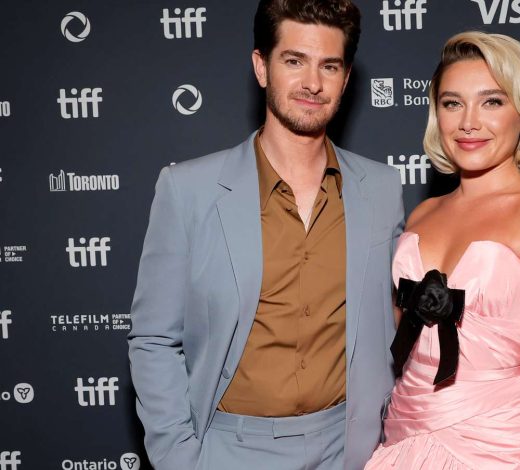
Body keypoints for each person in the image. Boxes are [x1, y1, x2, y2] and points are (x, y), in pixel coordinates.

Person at [126, 1, 405, 469]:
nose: (313, 83)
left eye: (329, 66)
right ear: (262, 66)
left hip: (349, 448)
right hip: (228, 450)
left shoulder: (381, 188)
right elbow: (153, 338)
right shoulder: (189, 189)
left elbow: (401, 317)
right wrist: (180, 457)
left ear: (346, 78)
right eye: (294, 61)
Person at [365, 32, 520, 469]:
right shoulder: (422, 215)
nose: (469, 122)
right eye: (453, 103)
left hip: (503, 449)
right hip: (404, 440)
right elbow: (402, 342)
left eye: (491, 102)